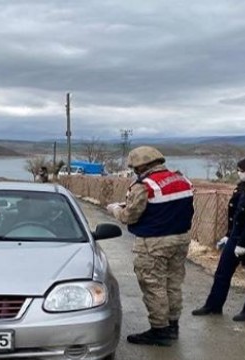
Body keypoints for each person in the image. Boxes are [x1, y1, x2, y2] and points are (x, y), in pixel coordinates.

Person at [106, 146, 194, 346]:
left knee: (154, 286)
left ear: (140, 166)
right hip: (180, 239)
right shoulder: (182, 179)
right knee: (173, 284)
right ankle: (172, 327)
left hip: (153, 242)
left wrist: (114, 210)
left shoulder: (144, 186)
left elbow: (130, 216)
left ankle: (159, 330)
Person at [191, 156, 245, 321]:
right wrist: (228, 234)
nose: (239, 174)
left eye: (242, 171)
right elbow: (237, 214)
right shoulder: (243, 187)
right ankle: (213, 305)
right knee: (223, 272)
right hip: (236, 235)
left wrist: (244, 243)